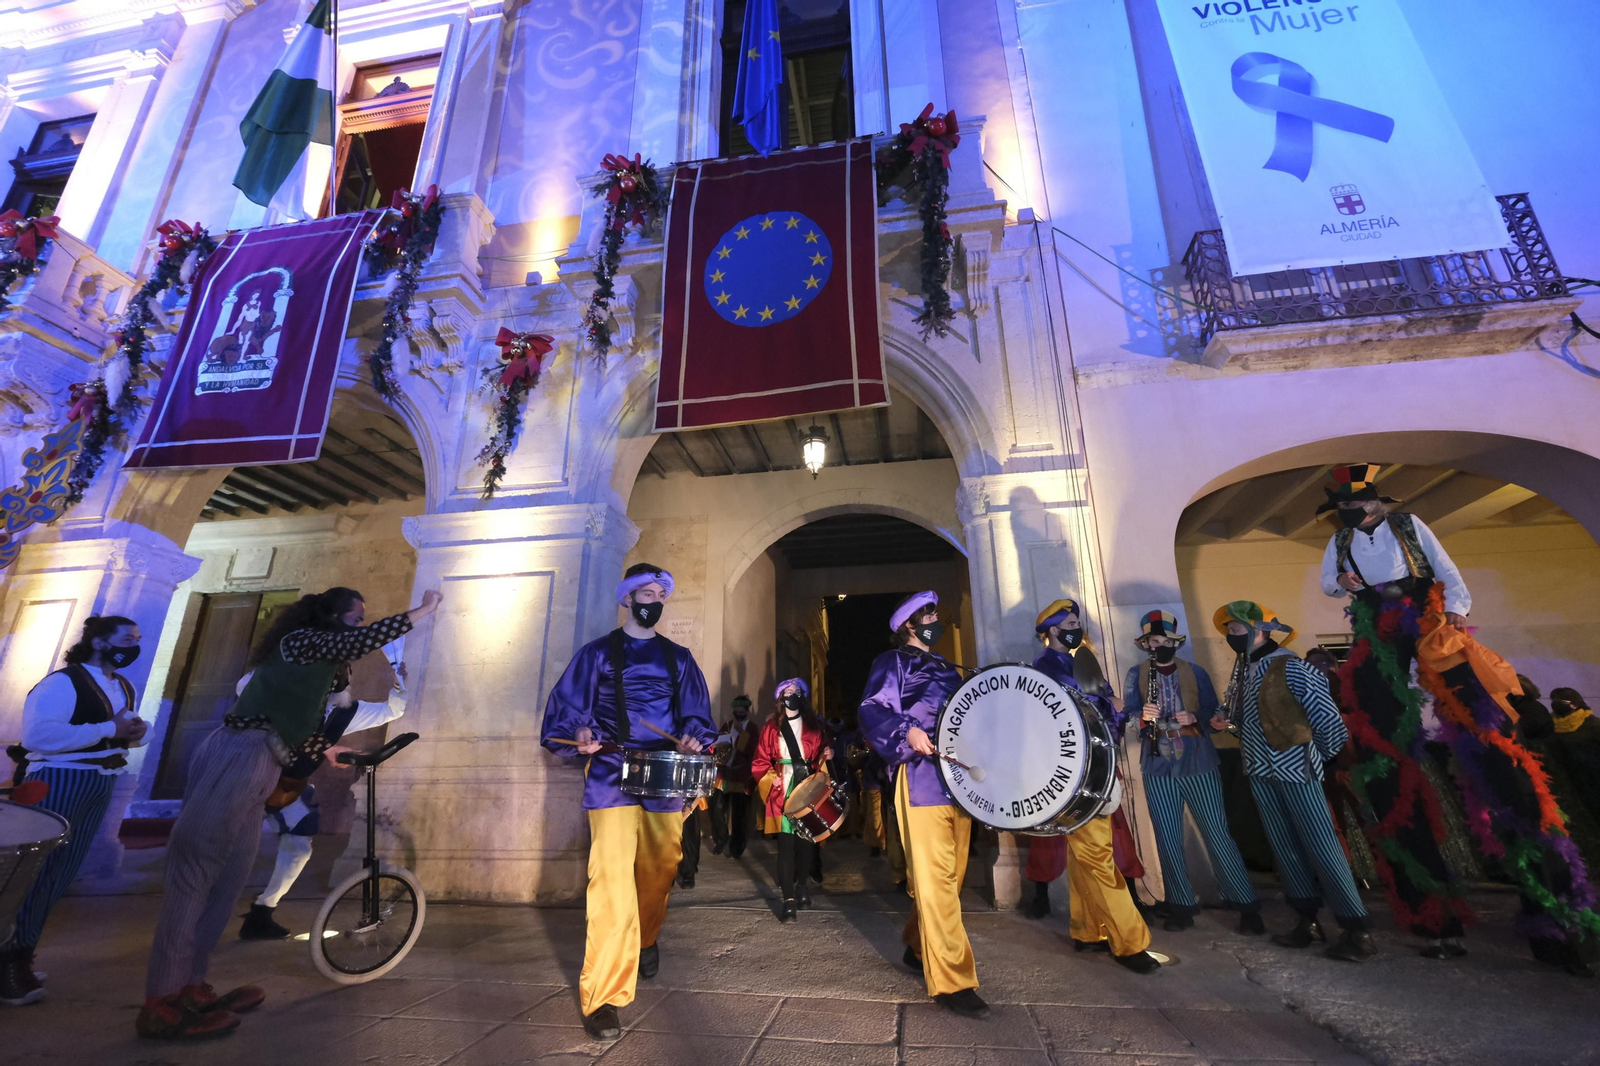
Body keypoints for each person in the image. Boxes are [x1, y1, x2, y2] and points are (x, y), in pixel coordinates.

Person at [1319, 464, 1599, 964]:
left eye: (1359, 506)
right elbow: (1329, 585)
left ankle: (1558, 921)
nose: (1353, 515)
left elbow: (1447, 573)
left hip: (1427, 625)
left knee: (1496, 751)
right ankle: (1432, 919)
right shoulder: (1339, 543)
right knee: (1382, 767)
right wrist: (1341, 582)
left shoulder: (1410, 526)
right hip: (1374, 636)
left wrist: (1456, 613)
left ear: (1377, 502)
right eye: (1344, 509)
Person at [138, 586, 439, 1040]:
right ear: (330, 618)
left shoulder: (325, 668)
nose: (358, 627)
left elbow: (314, 710)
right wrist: (423, 610)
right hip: (240, 752)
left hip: (265, 763)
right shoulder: (299, 640)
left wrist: (328, 747)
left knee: (230, 876)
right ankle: (161, 1000)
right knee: (197, 868)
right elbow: (349, 644)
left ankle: (191, 984)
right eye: (355, 619)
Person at [539, 564, 715, 1041]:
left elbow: (698, 716)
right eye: (645, 591)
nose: (653, 598)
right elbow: (568, 710)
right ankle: (605, 996)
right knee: (610, 882)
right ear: (627, 600)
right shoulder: (596, 654)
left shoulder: (679, 658)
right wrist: (581, 732)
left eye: (660, 592)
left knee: (659, 870)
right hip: (612, 773)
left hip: (666, 775)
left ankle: (648, 937)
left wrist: (696, 739)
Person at [1215, 600, 1375, 962]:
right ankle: (1307, 920)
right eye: (1228, 631)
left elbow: (1329, 723)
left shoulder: (1294, 667)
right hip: (1259, 771)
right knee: (1283, 847)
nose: (1229, 636)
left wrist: (1317, 758)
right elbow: (1251, 726)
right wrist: (1231, 726)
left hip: (1297, 770)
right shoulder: (1245, 671)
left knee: (1322, 845)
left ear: (1258, 630)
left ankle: (1356, 929)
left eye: (1236, 630)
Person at [2, 617, 148, 1007]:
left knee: (61, 873)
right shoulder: (62, 683)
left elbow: (114, 730)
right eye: (125, 639)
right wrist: (107, 728)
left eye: (137, 639)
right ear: (99, 641)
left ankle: (22, 951)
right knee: (34, 873)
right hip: (60, 778)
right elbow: (38, 736)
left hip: (100, 779)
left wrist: (133, 732)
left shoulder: (121, 685)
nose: (133, 645)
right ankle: (8, 961)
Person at [859, 591, 988, 1019]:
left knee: (951, 879)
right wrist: (905, 730)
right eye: (927, 615)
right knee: (934, 880)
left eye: (936, 612)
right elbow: (873, 708)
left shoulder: (949, 668)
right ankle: (953, 980)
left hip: (961, 782)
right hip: (920, 778)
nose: (935, 619)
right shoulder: (892, 662)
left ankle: (917, 945)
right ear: (909, 626)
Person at [237, 656, 409, 940]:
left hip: (287, 787)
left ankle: (262, 912)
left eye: (341, 671)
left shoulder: (344, 710)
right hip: (248, 776)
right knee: (228, 845)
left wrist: (399, 682)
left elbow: (393, 710)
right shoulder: (283, 694)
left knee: (299, 846)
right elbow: (247, 688)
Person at [1032, 600, 1161, 973]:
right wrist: (1114, 707)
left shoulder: (1078, 662)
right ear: (1052, 631)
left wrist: (1123, 712)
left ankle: (1088, 930)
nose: (1077, 627)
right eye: (1070, 622)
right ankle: (1130, 942)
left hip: (1093, 767)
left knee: (1085, 854)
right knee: (1098, 856)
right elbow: (1073, 715)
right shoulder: (1046, 668)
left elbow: (1105, 713)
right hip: (1076, 772)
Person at [1122, 610, 1262, 935]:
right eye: (1153, 641)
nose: (1159, 646)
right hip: (1157, 761)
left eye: (1165, 640)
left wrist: (1195, 717)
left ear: (1175, 641)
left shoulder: (1195, 672)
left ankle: (1246, 903)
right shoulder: (1136, 674)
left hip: (1197, 757)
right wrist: (1141, 717)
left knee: (1217, 831)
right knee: (1167, 836)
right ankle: (1181, 904)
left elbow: (1216, 712)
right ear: (1146, 644)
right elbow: (1128, 718)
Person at [749, 679, 831, 921]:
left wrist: (827, 754)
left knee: (806, 844)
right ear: (780, 698)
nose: (791, 696)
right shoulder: (770, 728)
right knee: (785, 846)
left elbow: (819, 755)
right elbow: (760, 760)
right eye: (787, 692)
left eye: (796, 692)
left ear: (802, 697)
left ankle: (802, 887)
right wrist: (768, 778)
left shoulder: (814, 727)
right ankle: (789, 900)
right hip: (782, 789)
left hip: (806, 787)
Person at [709, 694, 757, 858]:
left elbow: (752, 751)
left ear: (746, 709)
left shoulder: (752, 728)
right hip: (723, 772)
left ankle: (737, 847)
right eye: (736, 709)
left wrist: (741, 733)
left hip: (741, 774)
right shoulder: (726, 725)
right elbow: (717, 746)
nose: (739, 711)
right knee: (716, 807)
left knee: (740, 813)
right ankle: (721, 839)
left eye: (741, 709)